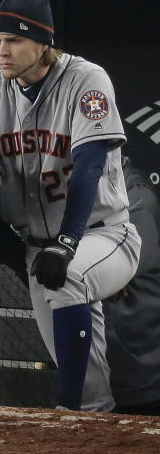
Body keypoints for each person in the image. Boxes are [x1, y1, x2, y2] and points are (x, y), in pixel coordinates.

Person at [0, 0, 141, 411]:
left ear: (43, 43)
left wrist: (69, 241)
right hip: (39, 246)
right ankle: (89, 425)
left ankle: (63, 414)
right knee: (90, 394)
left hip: (103, 236)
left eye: (14, 40)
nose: (2, 50)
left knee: (69, 278)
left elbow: (89, 164)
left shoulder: (86, 80)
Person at [103, 157, 160, 414]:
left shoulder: (137, 199)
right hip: (111, 369)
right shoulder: (93, 194)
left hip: (142, 371)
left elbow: (120, 277)